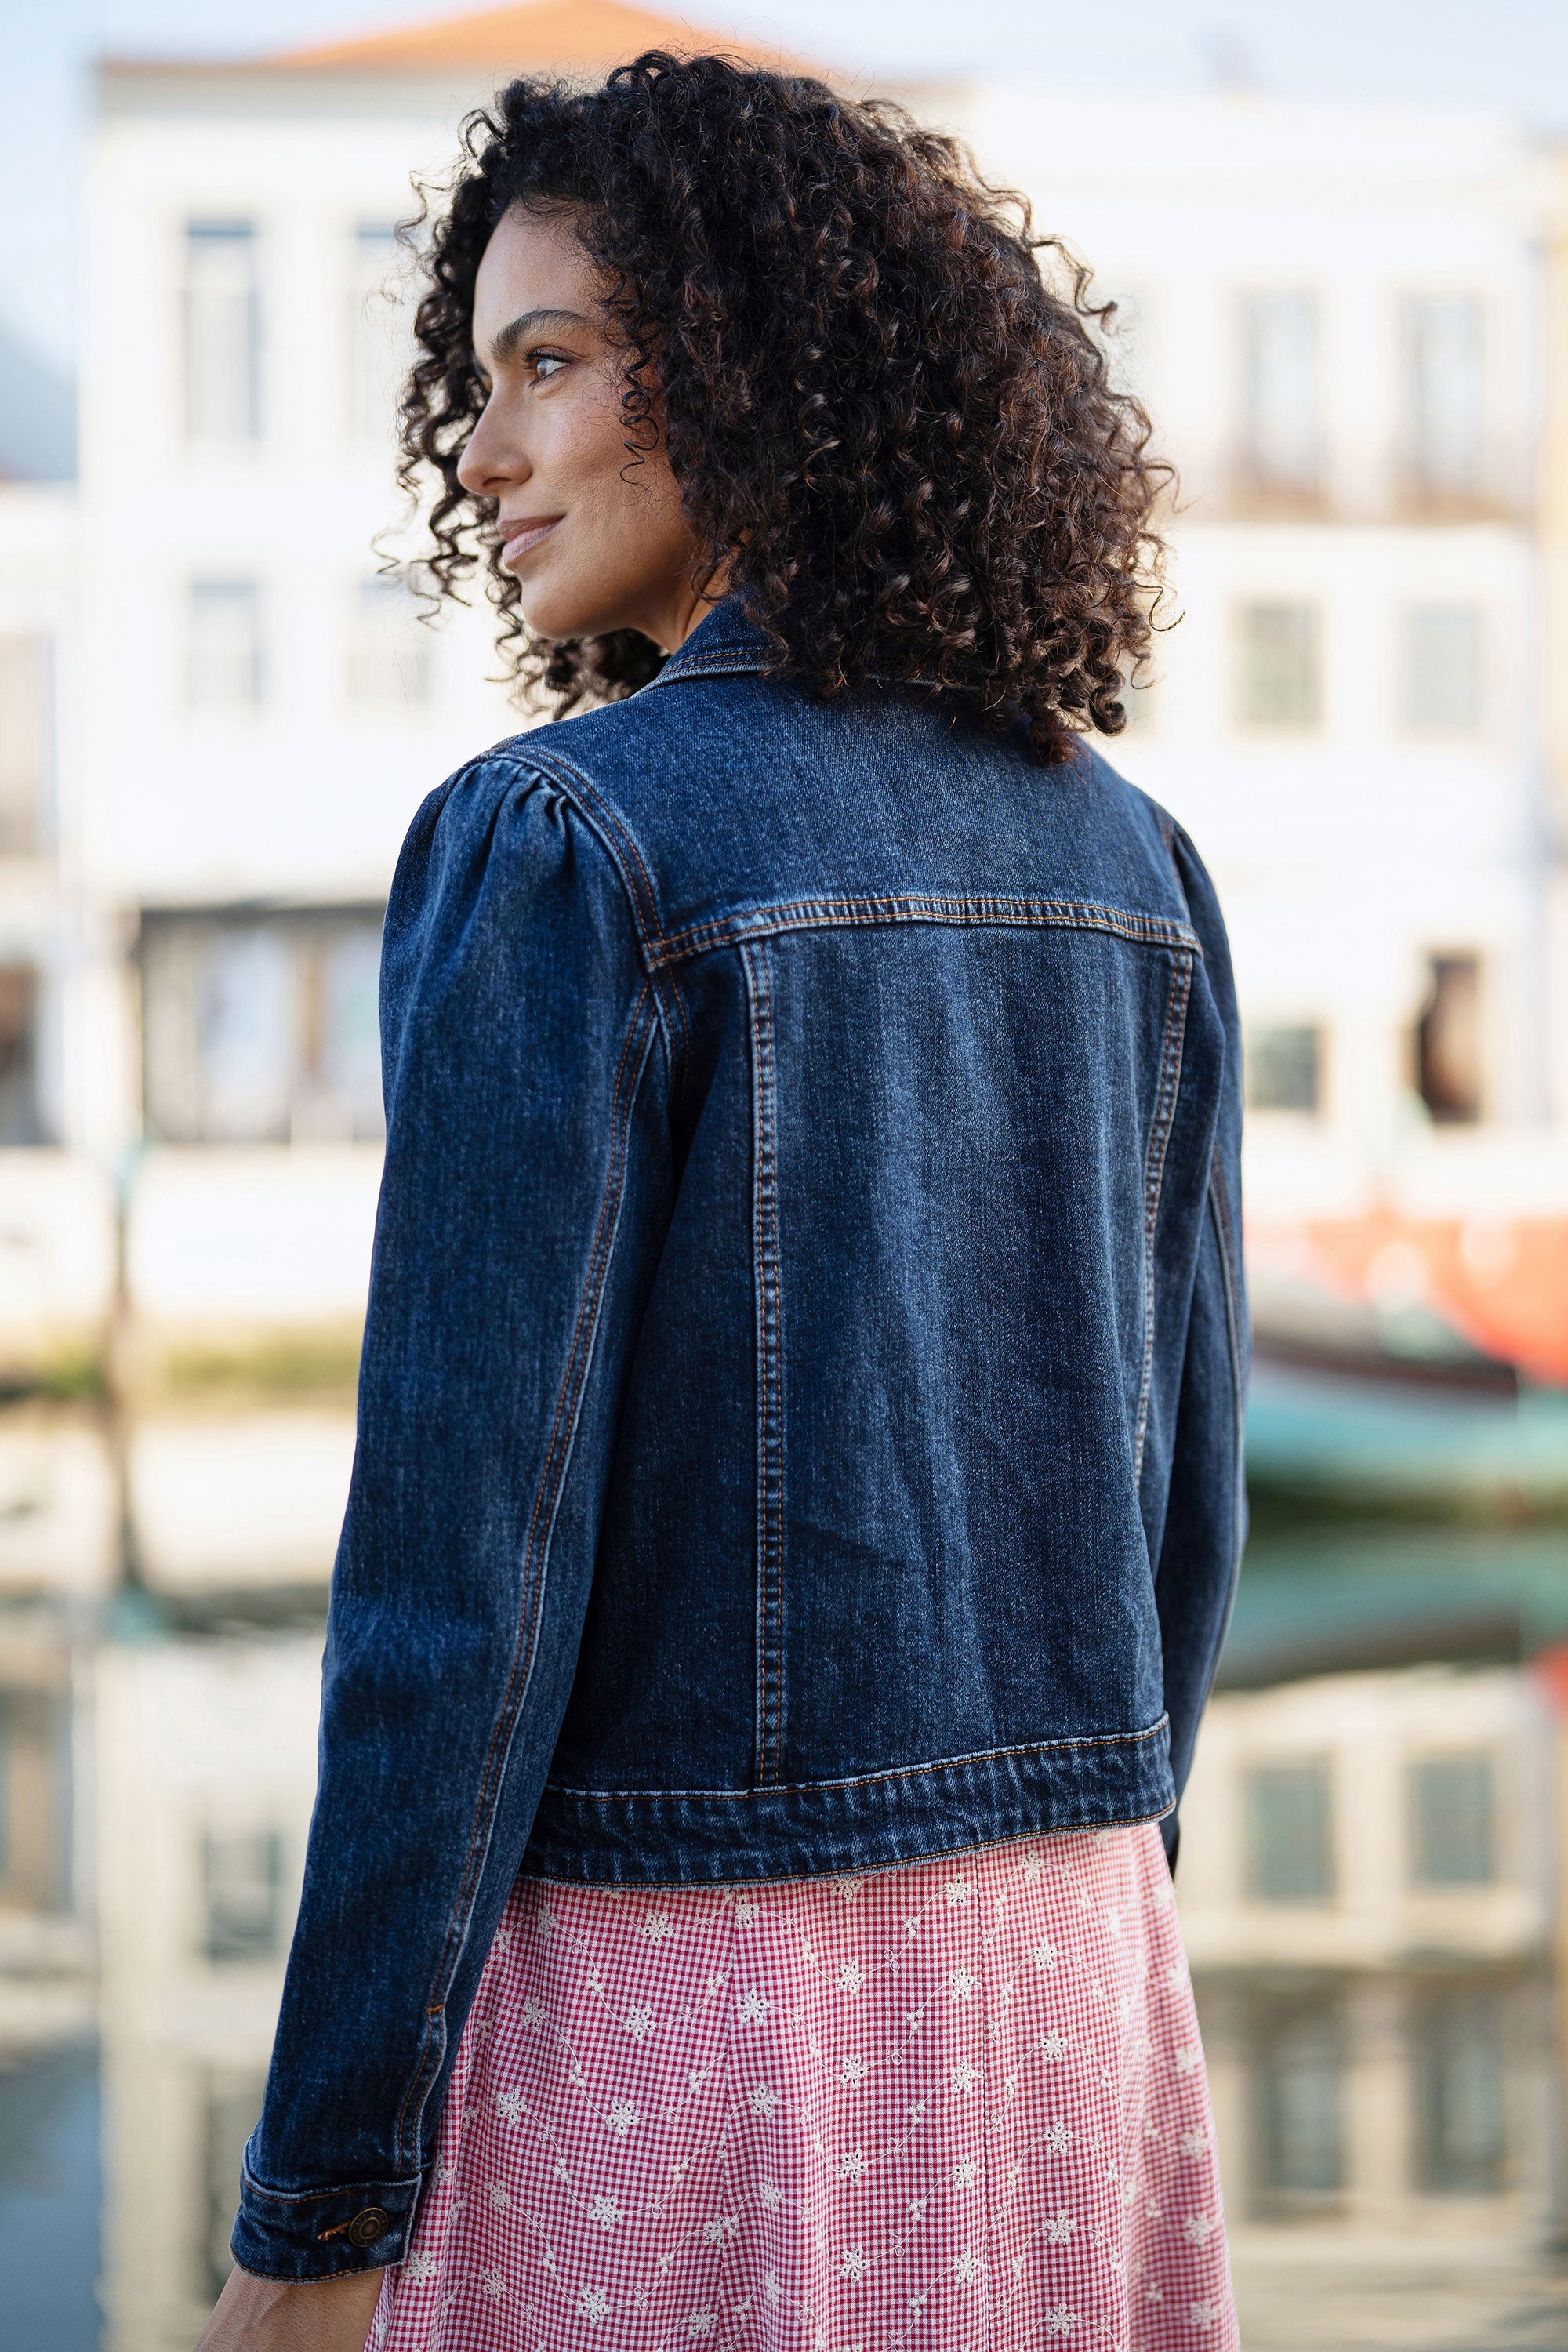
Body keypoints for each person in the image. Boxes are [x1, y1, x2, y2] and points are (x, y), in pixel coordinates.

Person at [198, 52, 1246, 2352]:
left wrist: (319, 2209)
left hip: (693, 2009)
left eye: (545, 363)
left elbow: (452, 1607)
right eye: (477, 386)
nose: (481, 453)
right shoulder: (1137, 865)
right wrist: (1090, 1893)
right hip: (1073, 1981)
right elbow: (1186, 1524)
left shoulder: (564, 838)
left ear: (755, 374)